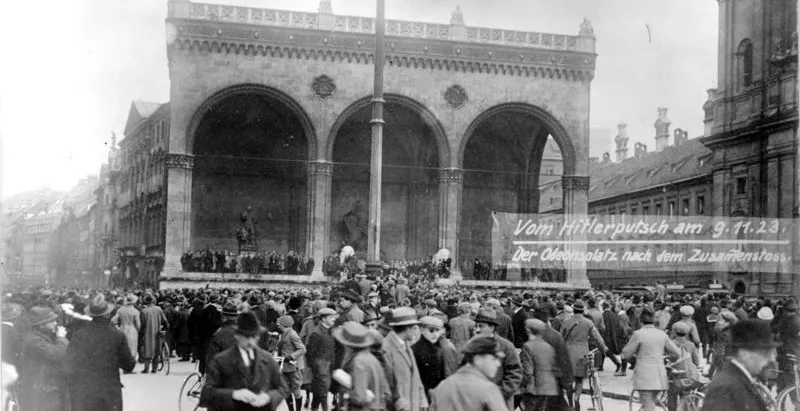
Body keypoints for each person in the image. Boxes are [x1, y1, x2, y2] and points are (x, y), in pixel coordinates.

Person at [200, 311, 289, 411]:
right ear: (237, 336)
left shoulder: (267, 359)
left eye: (254, 337)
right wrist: (234, 394)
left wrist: (268, 397)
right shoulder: (221, 360)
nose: (250, 342)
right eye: (246, 337)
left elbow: (282, 388)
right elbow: (206, 395)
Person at [66, 293, 136, 411]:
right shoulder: (118, 335)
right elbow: (129, 365)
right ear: (107, 314)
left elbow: (70, 365)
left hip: (86, 393)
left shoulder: (79, 336)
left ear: (90, 314)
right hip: (110, 392)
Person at [700, 319, 779, 411]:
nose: (770, 359)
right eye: (764, 353)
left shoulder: (739, 380)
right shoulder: (725, 387)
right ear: (744, 354)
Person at [621, 308, 681, 411]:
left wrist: (636, 354)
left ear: (641, 320)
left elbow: (625, 354)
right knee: (650, 403)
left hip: (644, 376)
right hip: (659, 376)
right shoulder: (662, 334)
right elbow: (677, 352)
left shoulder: (638, 334)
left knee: (648, 406)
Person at [428, 336, 508, 411]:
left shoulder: (442, 387)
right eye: (494, 359)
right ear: (478, 359)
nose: (498, 364)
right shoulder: (488, 389)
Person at [19, 305, 69, 411]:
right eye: (52, 321)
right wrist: (61, 338)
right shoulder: (34, 341)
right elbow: (58, 354)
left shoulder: (41, 336)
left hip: (48, 386)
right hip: (43, 389)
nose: (55, 323)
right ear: (41, 325)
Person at [560, 300, 607, 411]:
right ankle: (577, 397)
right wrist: (603, 349)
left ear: (573, 309)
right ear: (583, 310)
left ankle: (571, 403)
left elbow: (560, 339)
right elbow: (598, 338)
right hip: (582, 354)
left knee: (568, 381)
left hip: (568, 354)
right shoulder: (588, 323)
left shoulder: (566, 322)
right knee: (579, 380)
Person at [473, 307, 522, 411]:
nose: (477, 330)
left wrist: (499, 394)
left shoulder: (506, 346)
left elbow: (515, 374)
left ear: (492, 327)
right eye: (476, 326)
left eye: (481, 326)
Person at [334, 321, 390, 411]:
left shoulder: (359, 361)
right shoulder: (371, 358)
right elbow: (386, 392)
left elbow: (360, 397)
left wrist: (348, 394)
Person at [382, 307, 428, 411]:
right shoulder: (386, 348)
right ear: (407, 328)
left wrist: (422, 399)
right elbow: (386, 384)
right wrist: (399, 404)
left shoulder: (406, 345)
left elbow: (416, 375)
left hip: (413, 405)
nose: (416, 331)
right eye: (414, 328)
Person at [519, 318, 566, 411]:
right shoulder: (548, 346)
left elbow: (528, 372)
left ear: (528, 330)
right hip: (548, 387)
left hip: (534, 388)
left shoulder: (528, 346)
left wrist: (521, 386)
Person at [411, 316, 459, 400]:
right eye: (431, 331)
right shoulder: (417, 349)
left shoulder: (441, 347)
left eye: (437, 330)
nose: (435, 334)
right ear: (422, 330)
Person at [307, 307, 338, 411]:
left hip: (329, 367)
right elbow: (310, 354)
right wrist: (316, 369)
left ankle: (314, 407)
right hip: (320, 369)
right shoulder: (316, 333)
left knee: (319, 392)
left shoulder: (331, 330)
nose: (334, 319)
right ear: (323, 319)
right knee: (323, 391)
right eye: (331, 317)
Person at [277, 315, 307, 411]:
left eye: (279, 324)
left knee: (296, 390)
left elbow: (302, 349)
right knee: (286, 390)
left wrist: (291, 356)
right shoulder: (283, 333)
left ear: (284, 324)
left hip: (294, 367)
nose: (278, 326)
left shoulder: (292, 334)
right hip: (285, 366)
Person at [139, 292, 169, 373]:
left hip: (147, 333)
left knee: (147, 350)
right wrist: (164, 328)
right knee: (157, 350)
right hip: (157, 333)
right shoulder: (159, 309)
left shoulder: (144, 311)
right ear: (153, 301)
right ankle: (154, 368)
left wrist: (140, 334)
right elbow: (165, 321)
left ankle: (146, 368)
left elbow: (142, 325)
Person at [111, 293, 141, 369]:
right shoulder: (136, 311)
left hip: (122, 329)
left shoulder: (120, 310)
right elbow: (138, 324)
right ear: (133, 302)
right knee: (132, 348)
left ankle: (124, 366)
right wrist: (138, 330)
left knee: (123, 347)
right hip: (132, 330)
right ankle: (130, 367)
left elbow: (113, 321)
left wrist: (116, 326)